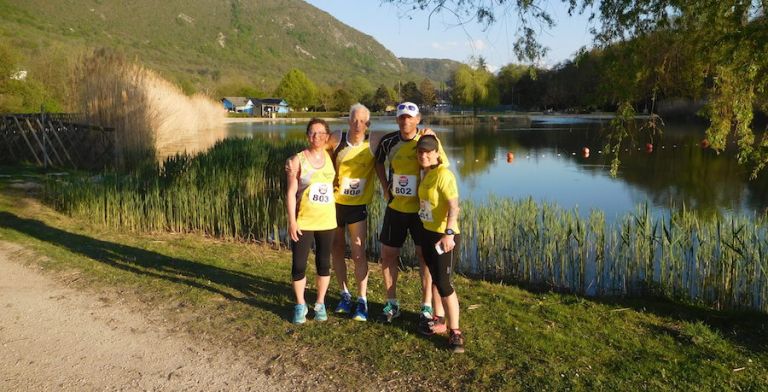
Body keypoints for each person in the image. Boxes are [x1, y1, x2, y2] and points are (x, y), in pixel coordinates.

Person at [374, 102, 448, 324]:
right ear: (397, 120)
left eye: (410, 117)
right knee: (388, 255)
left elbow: (443, 165)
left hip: (421, 212)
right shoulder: (389, 141)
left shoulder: (427, 140)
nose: (405, 121)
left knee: (424, 257)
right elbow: (377, 162)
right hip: (396, 208)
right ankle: (392, 303)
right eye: (401, 117)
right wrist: (384, 184)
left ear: (418, 119)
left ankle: (426, 305)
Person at [414, 134, 465, 353]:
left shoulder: (444, 175)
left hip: (444, 236)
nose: (423, 155)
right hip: (427, 233)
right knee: (435, 279)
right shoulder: (427, 173)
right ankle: (439, 319)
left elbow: (454, 207)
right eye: (420, 152)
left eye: (428, 152)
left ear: (436, 153)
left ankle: (455, 332)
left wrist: (449, 233)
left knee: (444, 283)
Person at [285, 118, 337, 324]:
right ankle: (300, 304)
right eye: (313, 133)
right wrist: (292, 221)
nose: (317, 137)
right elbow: (290, 193)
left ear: (327, 136)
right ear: (307, 136)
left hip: (327, 221)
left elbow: (350, 131)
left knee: (324, 264)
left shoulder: (331, 153)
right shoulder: (297, 160)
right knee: (298, 265)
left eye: (321, 133)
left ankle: (320, 303)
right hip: (304, 221)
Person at [328, 103, 376, 321]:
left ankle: (362, 300)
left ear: (368, 123)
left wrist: (425, 132)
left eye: (362, 121)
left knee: (358, 251)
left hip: (358, 206)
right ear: (348, 121)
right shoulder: (337, 138)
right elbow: (318, 154)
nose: (358, 124)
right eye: (354, 120)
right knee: (337, 248)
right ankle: (344, 294)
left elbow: (403, 139)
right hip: (335, 204)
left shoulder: (373, 141)